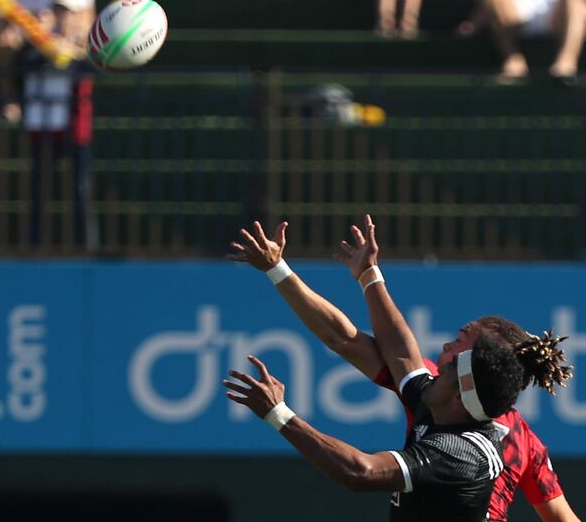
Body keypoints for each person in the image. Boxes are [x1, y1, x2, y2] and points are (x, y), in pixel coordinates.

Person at [227, 219, 580, 521]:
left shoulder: (462, 444)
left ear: (470, 374)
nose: (445, 348)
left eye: (462, 339)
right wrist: (361, 273)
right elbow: (369, 343)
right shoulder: (445, 397)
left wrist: (278, 414)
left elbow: (359, 471)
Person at [0, 0, 97, 249]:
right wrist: (31, 31)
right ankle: (37, 248)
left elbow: (84, 27)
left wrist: (58, 37)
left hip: (72, 97)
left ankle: (87, 249)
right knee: (40, 184)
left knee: (80, 184)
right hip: (37, 94)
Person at [460, 0, 586, 80]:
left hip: (561, 9)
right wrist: (475, 21)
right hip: (520, 5)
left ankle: (566, 63)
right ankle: (513, 59)